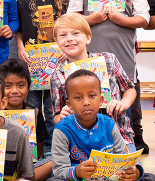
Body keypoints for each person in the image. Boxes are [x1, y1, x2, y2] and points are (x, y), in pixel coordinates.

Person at [41, 70, 155, 181]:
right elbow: (60, 170)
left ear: (101, 99)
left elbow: (123, 161)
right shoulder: (62, 130)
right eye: (78, 98)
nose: (86, 102)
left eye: (92, 96)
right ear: (68, 104)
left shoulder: (109, 125)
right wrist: (76, 172)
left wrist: (134, 173)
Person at [67, 0, 150, 152]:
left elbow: (144, 18)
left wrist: (122, 20)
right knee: (90, 103)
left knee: (122, 105)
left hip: (122, 58)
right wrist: (92, 19)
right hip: (89, 59)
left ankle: (125, 147)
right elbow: (71, 18)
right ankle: (87, 148)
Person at [50, 13, 138, 149]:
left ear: (88, 37)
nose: (69, 39)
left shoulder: (108, 60)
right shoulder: (57, 76)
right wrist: (62, 116)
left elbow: (130, 89)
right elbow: (56, 115)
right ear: (56, 41)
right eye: (63, 35)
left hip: (119, 136)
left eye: (75, 33)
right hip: (80, 143)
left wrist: (123, 104)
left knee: (129, 170)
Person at [15, 0, 70, 154]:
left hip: (57, 61)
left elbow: (69, 27)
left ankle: (53, 149)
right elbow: (19, 30)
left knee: (53, 106)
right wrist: (20, 48)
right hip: (31, 62)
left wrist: (64, 47)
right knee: (31, 106)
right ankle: (32, 149)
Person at [0, 58, 51, 181]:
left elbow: (40, 146)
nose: (15, 91)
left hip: (28, 166)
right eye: (8, 86)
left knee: (53, 162)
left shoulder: (35, 113)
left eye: (20, 85)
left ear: (28, 87)